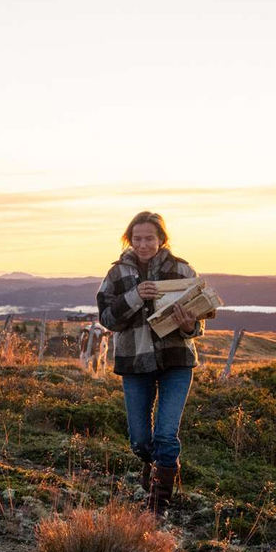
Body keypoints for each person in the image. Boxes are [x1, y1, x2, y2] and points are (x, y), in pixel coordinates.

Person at [95, 211, 213, 516]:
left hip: (177, 361)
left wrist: (188, 326)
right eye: (137, 238)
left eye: (149, 238)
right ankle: (152, 463)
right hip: (134, 363)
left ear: (161, 239)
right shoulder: (117, 275)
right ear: (129, 240)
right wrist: (135, 296)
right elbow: (108, 320)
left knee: (165, 435)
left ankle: (157, 508)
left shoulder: (182, 269)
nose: (144, 244)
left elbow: (198, 325)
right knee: (140, 441)